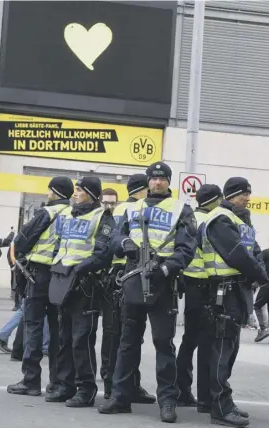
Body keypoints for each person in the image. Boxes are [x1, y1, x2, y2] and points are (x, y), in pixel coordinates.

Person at [98, 161, 197, 423]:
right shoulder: (133, 208)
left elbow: (187, 248)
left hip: (163, 282)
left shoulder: (181, 210)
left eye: (162, 178)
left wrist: (166, 269)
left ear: (168, 182)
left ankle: (167, 402)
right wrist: (126, 243)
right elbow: (115, 239)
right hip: (133, 277)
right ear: (148, 181)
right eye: (153, 178)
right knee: (127, 342)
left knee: (164, 343)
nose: (157, 182)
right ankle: (120, 396)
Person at [201, 177, 268, 427]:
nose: (247, 199)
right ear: (230, 194)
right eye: (243, 195)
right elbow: (236, 254)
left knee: (229, 350)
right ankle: (219, 407)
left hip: (236, 291)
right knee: (222, 351)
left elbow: (255, 251)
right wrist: (261, 276)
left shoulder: (239, 219)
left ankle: (223, 401)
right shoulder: (220, 218)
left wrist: (259, 272)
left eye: (248, 194)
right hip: (222, 290)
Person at [46, 177, 115, 407]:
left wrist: (79, 269)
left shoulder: (102, 217)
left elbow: (104, 252)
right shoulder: (66, 215)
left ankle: (86, 388)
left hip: (86, 284)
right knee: (64, 337)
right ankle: (65, 385)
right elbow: (59, 245)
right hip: (63, 281)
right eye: (75, 190)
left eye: (79, 190)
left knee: (81, 339)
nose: (75, 194)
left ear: (92, 195)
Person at [7, 176, 74, 396]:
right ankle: (56, 382)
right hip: (63, 277)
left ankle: (31, 380)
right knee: (58, 330)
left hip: (39, 274)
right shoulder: (74, 214)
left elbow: (23, 239)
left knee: (34, 326)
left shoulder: (48, 212)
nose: (47, 193)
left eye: (49, 190)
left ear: (54, 191)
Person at [104, 174, 155, 403]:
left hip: (116, 274)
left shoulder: (118, 209)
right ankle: (116, 386)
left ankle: (127, 384)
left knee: (121, 335)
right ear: (143, 190)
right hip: (123, 274)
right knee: (122, 336)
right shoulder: (133, 209)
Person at [176, 184, 223, 408]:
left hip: (190, 284)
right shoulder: (214, 220)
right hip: (208, 285)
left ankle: (181, 391)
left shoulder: (188, 217)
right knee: (207, 343)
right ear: (215, 199)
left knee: (189, 340)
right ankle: (205, 398)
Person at [99, 187, 118, 381]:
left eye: (113, 203)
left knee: (110, 330)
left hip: (110, 281)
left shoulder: (118, 222)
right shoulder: (96, 219)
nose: (109, 206)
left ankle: (106, 370)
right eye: (106, 202)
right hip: (92, 279)